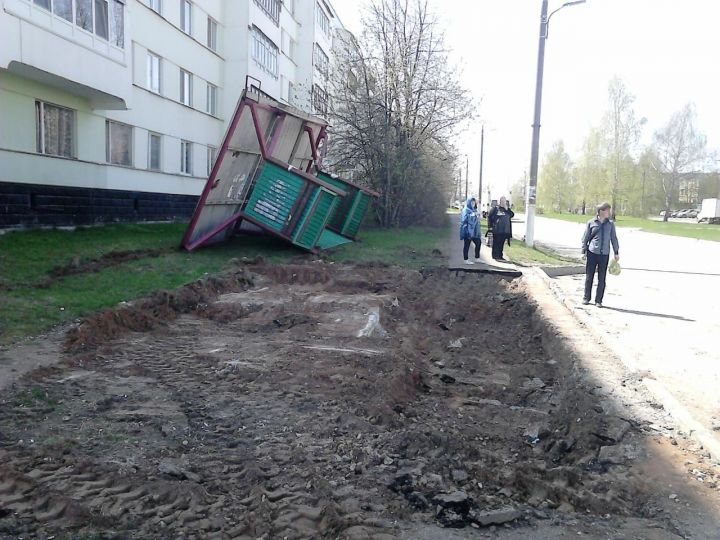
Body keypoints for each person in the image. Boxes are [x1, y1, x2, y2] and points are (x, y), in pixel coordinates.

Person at [581, 202, 620, 308]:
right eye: (607, 210)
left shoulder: (610, 224)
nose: (609, 212)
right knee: (589, 277)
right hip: (592, 253)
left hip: (604, 254)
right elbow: (585, 237)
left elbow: (614, 239)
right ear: (601, 211)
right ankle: (586, 298)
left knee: (602, 278)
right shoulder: (591, 223)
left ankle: (599, 300)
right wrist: (583, 251)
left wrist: (616, 252)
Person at [487, 196, 514, 261]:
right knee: (496, 243)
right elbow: (489, 217)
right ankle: (495, 256)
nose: (503, 202)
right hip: (497, 229)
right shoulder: (495, 209)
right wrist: (490, 227)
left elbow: (512, 215)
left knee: (501, 244)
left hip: (504, 230)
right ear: (500, 201)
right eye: (502, 201)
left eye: (504, 201)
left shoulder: (507, 209)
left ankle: (500, 255)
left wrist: (507, 209)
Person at [459, 197, 481, 264]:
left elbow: (476, 221)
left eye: (474, 203)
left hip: (474, 232)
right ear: (469, 203)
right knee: (467, 245)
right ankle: (466, 259)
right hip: (468, 231)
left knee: (478, 243)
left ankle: (477, 258)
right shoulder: (466, 210)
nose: (473, 204)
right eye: (472, 203)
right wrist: (473, 215)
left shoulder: (474, 210)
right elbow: (464, 220)